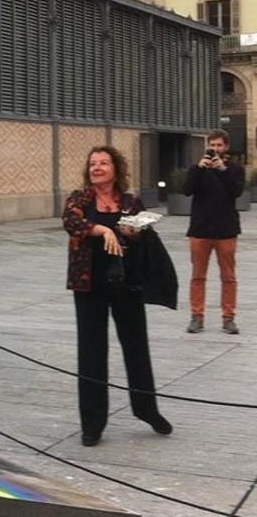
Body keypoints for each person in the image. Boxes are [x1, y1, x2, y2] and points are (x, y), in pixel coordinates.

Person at [62, 146, 172, 447]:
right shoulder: (80, 199)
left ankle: (146, 409)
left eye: (103, 162)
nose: (97, 167)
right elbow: (71, 222)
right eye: (92, 163)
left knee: (136, 347)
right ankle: (93, 423)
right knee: (92, 351)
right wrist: (101, 229)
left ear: (115, 168)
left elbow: (142, 237)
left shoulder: (129, 201)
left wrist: (133, 234)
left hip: (126, 282)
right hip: (89, 284)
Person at [183, 129, 244, 335]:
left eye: (219, 145)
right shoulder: (197, 169)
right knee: (198, 276)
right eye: (212, 145)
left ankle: (228, 318)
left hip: (226, 230)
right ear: (207, 146)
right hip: (200, 230)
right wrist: (199, 170)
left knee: (228, 276)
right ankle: (196, 316)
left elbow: (236, 191)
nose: (215, 149)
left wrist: (223, 171)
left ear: (225, 147)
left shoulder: (234, 169)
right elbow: (187, 190)